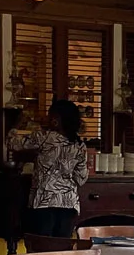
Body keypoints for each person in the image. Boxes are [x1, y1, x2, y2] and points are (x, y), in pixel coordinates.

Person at [7, 98, 89, 239]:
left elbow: (12, 143)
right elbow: (81, 179)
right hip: (69, 205)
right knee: (61, 251)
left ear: (55, 119)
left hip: (43, 204)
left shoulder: (43, 137)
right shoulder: (79, 146)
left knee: (41, 251)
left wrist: (15, 125)